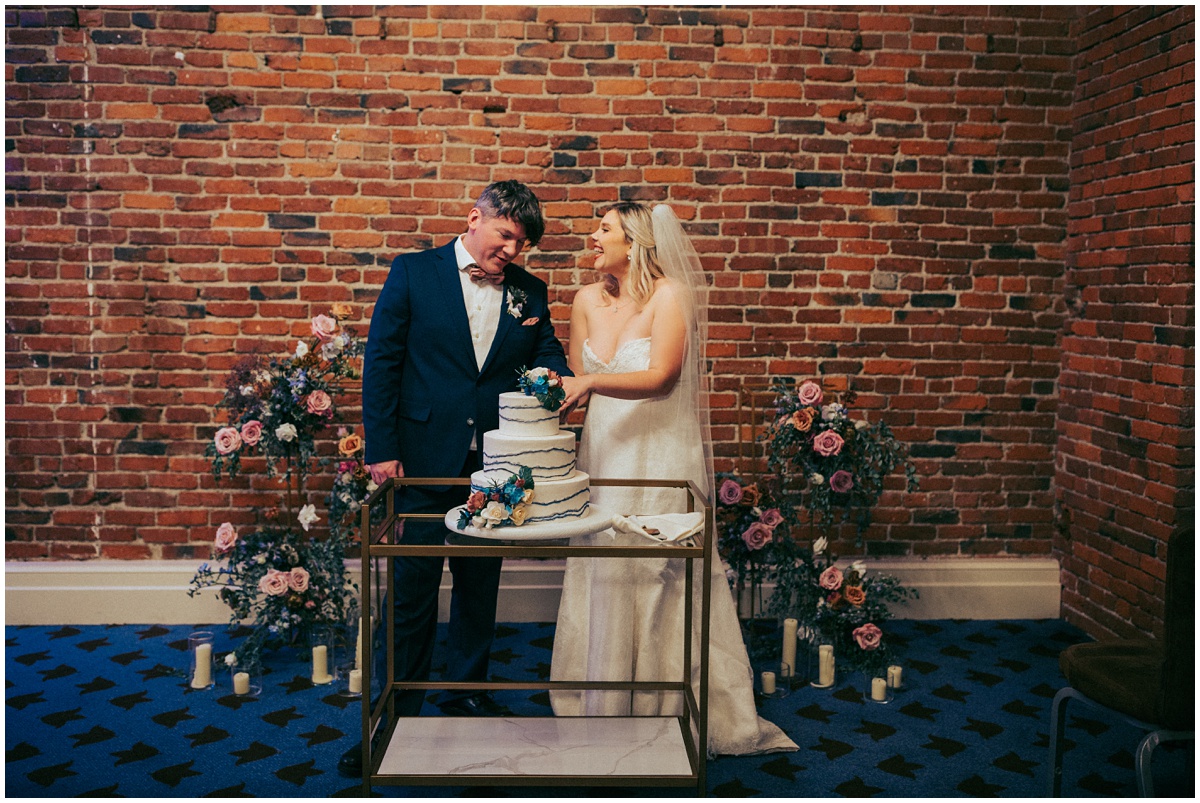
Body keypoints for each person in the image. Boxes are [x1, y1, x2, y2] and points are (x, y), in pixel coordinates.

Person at [550, 202, 797, 756]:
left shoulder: (670, 296)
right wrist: (554, 398)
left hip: (657, 451)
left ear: (635, 243)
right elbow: (577, 381)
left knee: (657, 566)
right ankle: (603, 697)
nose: (592, 236)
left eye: (604, 229)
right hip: (604, 450)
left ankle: (664, 703)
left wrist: (586, 381)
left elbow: (661, 377)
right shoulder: (585, 300)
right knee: (602, 560)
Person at [342, 181, 571, 776]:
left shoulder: (530, 291)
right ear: (475, 219)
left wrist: (559, 381)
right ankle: (393, 712)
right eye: (506, 235)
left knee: (479, 581)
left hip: (495, 463)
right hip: (419, 456)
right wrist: (382, 449)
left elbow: (548, 356)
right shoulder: (414, 273)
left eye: (522, 243)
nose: (514, 251)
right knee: (412, 590)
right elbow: (382, 362)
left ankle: (467, 690)